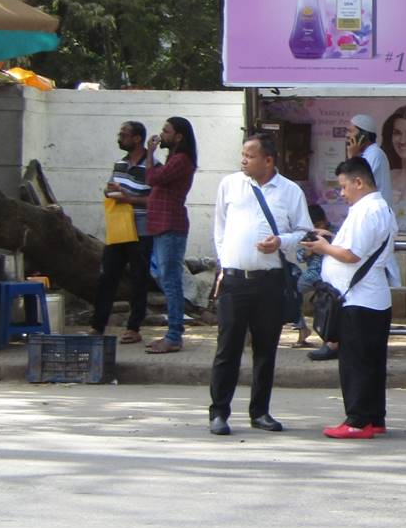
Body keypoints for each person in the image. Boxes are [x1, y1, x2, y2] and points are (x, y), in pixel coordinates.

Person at [207, 134, 312, 436]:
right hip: (235, 280)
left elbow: (304, 234)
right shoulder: (229, 185)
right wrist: (226, 264)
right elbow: (220, 229)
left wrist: (282, 241)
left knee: (265, 349)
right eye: (242, 154)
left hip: (270, 281)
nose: (243, 160)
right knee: (227, 348)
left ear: (268, 160)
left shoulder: (290, 192)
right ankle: (218, 413)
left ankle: (260, 411)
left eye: (250, 156)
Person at [302, 156, 398, 439]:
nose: (342, 193)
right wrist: (331, 238)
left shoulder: (366, 211)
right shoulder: (380, 209)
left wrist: (323, 248)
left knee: (355, 363)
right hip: (372, 299)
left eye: (344, 186)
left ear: (359, 182)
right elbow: (358, 248)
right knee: (372, 362)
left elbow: (351, 254)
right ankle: (373, 417)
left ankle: (357, 420)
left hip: (360, 300)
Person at [90, 121, 153, 344]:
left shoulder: (152, 165)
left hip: (141, 230)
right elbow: (109, 188)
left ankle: (134, 327)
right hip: (119, 228)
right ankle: (98, 325)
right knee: (108, 276)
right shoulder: (120, 164)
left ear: (137, 139)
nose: (120, 138)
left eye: (124, 135)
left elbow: (154, 200)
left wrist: (128, 197)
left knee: (139, 278)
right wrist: (112, 191)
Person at [144, 116, 197, 354]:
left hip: (171, 226)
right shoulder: (175, 158)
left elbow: (153, 178)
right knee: (167, 279)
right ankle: (172, 333)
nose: (161, 134)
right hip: (163, 225)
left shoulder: (181, 160)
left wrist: (149, 153)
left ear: (178, 137)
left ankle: (174, 335)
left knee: (171, 281)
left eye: (166, 131)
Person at [285, 203, 331, 348]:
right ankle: (302, 329)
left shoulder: (334, 233)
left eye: (319, 225)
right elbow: (300, 257)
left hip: (329, 274)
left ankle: (326, 337)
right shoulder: (308, 235)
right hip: (313, 275)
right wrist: (308, 251)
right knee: (291, 294)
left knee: (291, 295)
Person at [347, 113, 392, 204]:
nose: (348, 135)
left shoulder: (375, 154)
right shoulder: (366, 154)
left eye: (351, 131)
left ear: (363, 136)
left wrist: (352, 157)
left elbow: (356, 183)